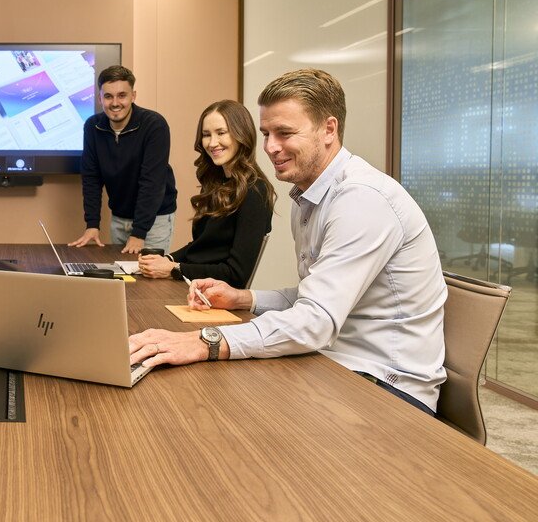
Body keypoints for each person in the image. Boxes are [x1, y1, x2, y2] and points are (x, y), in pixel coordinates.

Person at [129, 69, 447, 415]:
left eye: (285, 133)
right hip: (338, 363)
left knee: (221, 409)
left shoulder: (361, 200)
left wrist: (205, 341)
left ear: (329, 129)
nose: (269, 147)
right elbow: (315, 295)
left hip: (386, 385)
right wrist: (243, 297)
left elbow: (315, 319)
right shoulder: (307, 196)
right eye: (266, 133)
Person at [138, 100, 274, 286]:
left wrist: (174, 269)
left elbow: (236, 274)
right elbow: (201, 248)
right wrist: (167, 260)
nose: (212, 143)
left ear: (241, 134)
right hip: (197, 288)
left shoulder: (255, 191)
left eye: (221, 133)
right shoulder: (216, 183)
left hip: (219, 300)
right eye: (206, 135)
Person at [70, 65, 178, 254]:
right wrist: (92, 224)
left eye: (122, 95)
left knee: (150, 279)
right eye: (108, 96)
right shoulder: (93, 127)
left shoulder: (154, 125)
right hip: (119, 218)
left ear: (133, 96)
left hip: (155, 219)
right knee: (122, 278)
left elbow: (152, 181)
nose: (115, 103)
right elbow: (91, 178)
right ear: (100, 98)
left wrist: (139, 232)